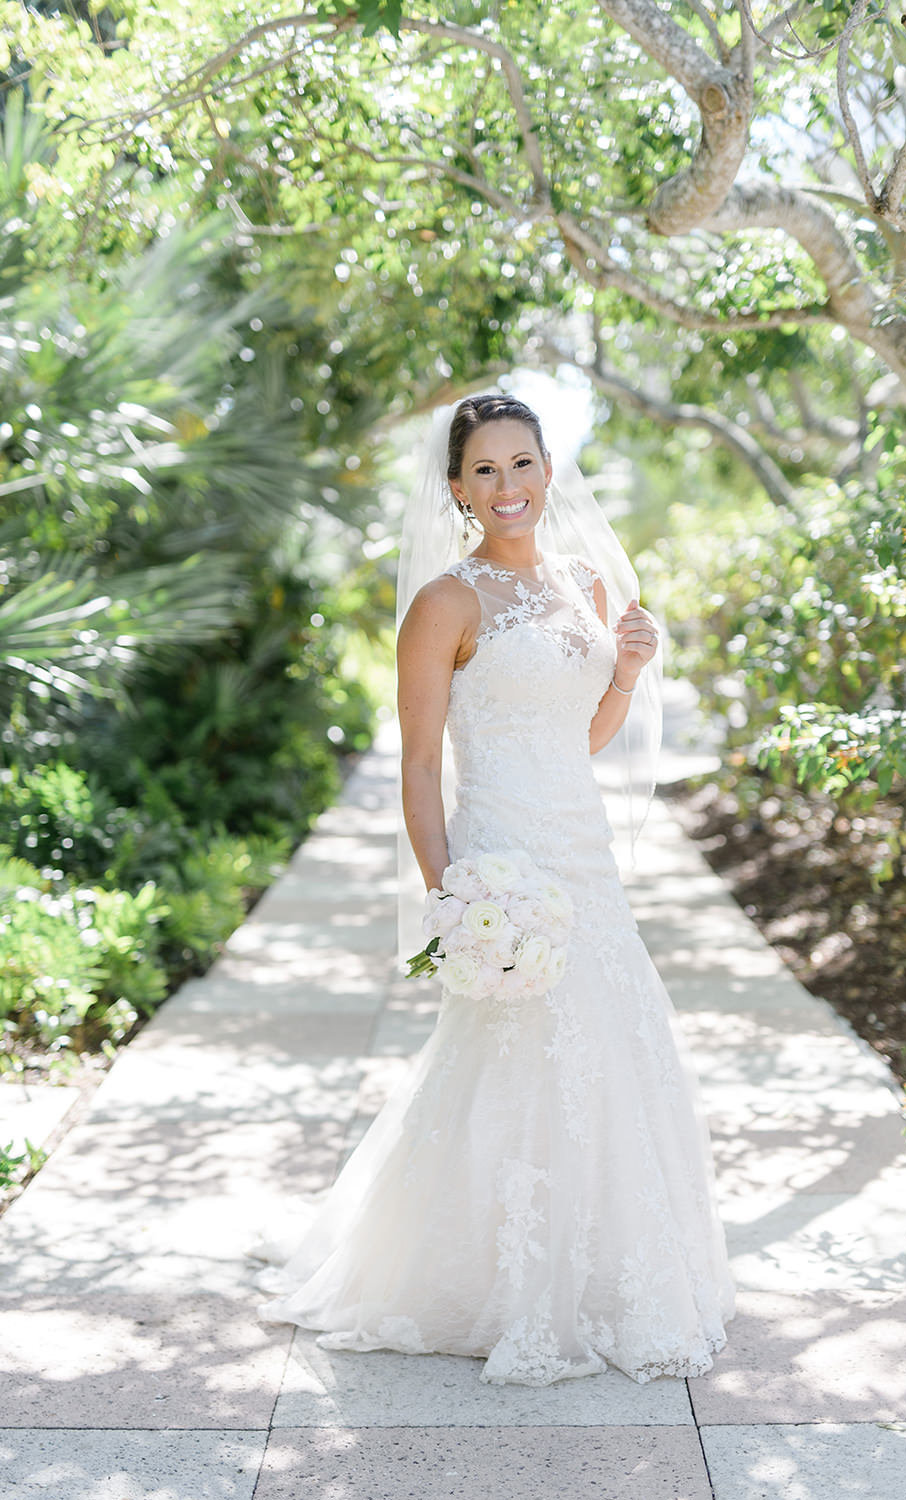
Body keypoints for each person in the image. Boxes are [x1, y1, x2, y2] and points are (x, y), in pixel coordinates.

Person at [257, 393, 735, 1385]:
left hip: (582, 855)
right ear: (455, 487)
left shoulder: (585, 586)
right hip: (500, 864)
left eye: (521, 464)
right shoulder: (444, 603)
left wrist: (627, 674)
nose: (506, 485)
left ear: (548, 471)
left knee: (611, 1041)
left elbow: (581, 738)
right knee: (508, 1053)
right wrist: (452, 898)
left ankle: (602, 1275)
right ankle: (482, 1279)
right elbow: (422, 769)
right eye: (484, 470)